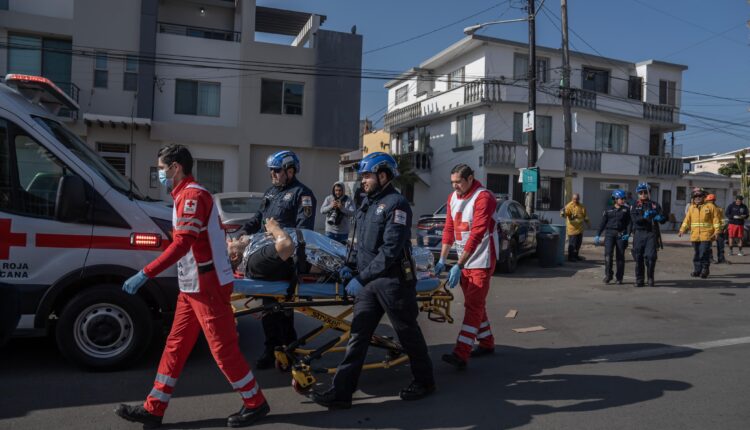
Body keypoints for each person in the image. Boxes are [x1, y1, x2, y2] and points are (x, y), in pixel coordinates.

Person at [115, 144, 269, 429]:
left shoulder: (192, 196)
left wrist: (145, 273)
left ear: (176, 168)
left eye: (162, 169)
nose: (160, 174)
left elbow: (183, 242)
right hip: (192, 286)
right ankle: (154, 408)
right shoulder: (183, 196)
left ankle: (255, 402)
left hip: (207, 286)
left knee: (223, 351)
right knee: (175, 346)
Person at [309, 152, 435, 409]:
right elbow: (359, 244)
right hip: (368, 282)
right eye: (362, 176)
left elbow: (390, 250)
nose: (362, 181)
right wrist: (349, 267)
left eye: (366, 176)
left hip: (393, 282)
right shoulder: (365, 203)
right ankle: (342, 391)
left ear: (383, 175)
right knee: (358, 336)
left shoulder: (396, 204)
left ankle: (425, 381)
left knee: (407, 333)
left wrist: (361, 277)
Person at [238, 150, 316, 369]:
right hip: (266, 256)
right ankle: (272, 349)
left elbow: (303, 232)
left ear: (290, 171)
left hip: (284, 259)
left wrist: (278, 234)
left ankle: (289, 349)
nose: (272, 174)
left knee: (282, 310)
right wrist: (241, 232)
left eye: (276, 170)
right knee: (269, 308)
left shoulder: (303, 194)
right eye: (271, 170)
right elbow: (257, 219)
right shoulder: (271, 193)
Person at [435, 164, 498, 370]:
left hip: (482, 259)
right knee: (475, 303)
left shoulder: (483, 197)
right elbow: (449, 229)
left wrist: (459, 264)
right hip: (465, 261)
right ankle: (487, 343)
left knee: (473, 305)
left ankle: (461, 353)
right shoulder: (452, 198)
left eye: (458, 182)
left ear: (470, 178)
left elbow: (478, 233)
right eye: (452, 182)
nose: (455, 187)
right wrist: (443, 259)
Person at [629, 183, 666, 287]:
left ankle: (650, 277)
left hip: (651, 233)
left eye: (645, 192)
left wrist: (660, 218)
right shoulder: (634, 205)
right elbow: (635, 221)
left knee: (651, 257)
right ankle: (639, 279)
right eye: (641, 192)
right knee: (638, 257)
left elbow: (663, 218)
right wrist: (644, 217)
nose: (643, 194)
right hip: (639, 233)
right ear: (638, 193)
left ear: (649, 192)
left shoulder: (655, 205)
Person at [679, 188, 722, 278]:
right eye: (696, 197)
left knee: (704, 253)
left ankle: (705, 270)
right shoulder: (691, 208)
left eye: (700, 196)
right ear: (693, 198)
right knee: (697, 253)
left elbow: (716, 220)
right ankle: (697, 270)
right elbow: (687, 220)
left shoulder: (710, 206)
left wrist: (717, 231)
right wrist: (682, 230)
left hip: (706, 235)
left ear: (704, 197)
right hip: (695, 236)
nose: (698, 198)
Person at [594, 189, 631, 285]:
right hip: (609, 234)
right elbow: (603, 223)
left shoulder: (626, 210)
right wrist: (598, 234)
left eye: (624, 198)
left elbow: (629, 224)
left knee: (620, 257)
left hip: (621, 234)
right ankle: (608, 275)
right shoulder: (608, 210)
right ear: (615, 199)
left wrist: (628, 234)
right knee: (608, 255)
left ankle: (619, 278)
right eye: (621, 198)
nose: (623, 200)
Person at [560, 193, 591, 261]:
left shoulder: (582, 206)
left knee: (578, 244)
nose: (575, 200)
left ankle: (576, 256)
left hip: (580, 229)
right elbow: (565, 214)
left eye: (577, 199)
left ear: (579, 199)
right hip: (572, 229)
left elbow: (585, 216)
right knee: (572, 244)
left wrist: (588, 223)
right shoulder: (569, 206)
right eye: (574, 199)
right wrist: (563, 213)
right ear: (572, 199)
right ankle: (571, 257)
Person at [705, 194, 727, 264]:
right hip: (709, 230)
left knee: (721, 245)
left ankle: (721, 259)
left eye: (712, 200)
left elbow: (722, 219)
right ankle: (710, 258)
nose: (711, 202)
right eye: (709, 200)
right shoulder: (705, 209)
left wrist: (723, 227)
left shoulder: (719, 209)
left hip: (719, 230)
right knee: (709, 245)